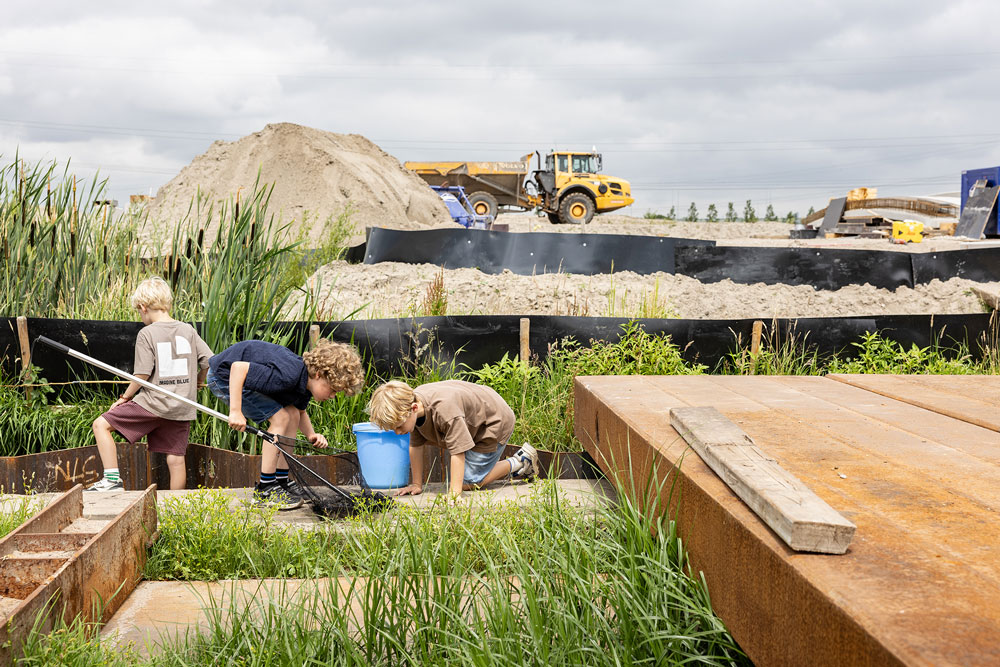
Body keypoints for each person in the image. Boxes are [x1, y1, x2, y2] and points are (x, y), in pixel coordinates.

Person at [207, 339, 364, 509]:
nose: (333, 396)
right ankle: (265, 488)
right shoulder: (289, 375)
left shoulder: (303, 386)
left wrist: (311, 434)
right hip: (223, 377)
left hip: (239, 378)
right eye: (332, 389)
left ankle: (281, 481)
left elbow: (300, 412)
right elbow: (238, 369)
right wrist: (235, 411)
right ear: (318, 374)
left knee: (292, 413)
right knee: (281, 418)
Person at [89, 276, 213, 491]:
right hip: (181, 406)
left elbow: (142, 374)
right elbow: (209, 360)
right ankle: (177, 507)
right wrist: (199, 380)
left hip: (153, 404)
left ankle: (111, 480)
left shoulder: (147, 333)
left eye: (139, 311)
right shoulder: (188, 330)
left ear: (143, 307)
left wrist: (124, 398)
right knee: (175, 460)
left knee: (101, 424)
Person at [367, 379, 539, 498]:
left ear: (413, 408)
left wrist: (454, 494)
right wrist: (416, 484)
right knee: (459, 477)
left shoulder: (445, 411)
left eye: (398, 427)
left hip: (493, 422)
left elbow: (458, 453)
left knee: (470, 482)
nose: (397, 432)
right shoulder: (413, 409)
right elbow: (416, 445)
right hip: (472, 419)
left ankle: (521, 462)